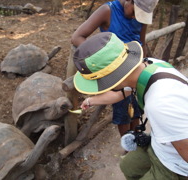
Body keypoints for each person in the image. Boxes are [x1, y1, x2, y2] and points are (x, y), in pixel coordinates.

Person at [72, 32, 188, 179]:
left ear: (112, 79)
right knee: (128, 166)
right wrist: (91, 100)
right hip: (161, 145)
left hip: (177, 166)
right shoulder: (148, 65)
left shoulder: (160, 103)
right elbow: (122, 92)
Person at [71, 0, 158, 137]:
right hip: (117, 71)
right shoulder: (108, 10)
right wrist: (99, 56)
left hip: (136, 65)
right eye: (135, 12)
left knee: (137, 108)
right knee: (122, 111)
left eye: (140, 16)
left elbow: (142, 42)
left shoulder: (140, 15)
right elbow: (77, 37)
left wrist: (142, 65)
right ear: (129, 1)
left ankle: (138, 138)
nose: (136, 18)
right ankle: (127, 145)